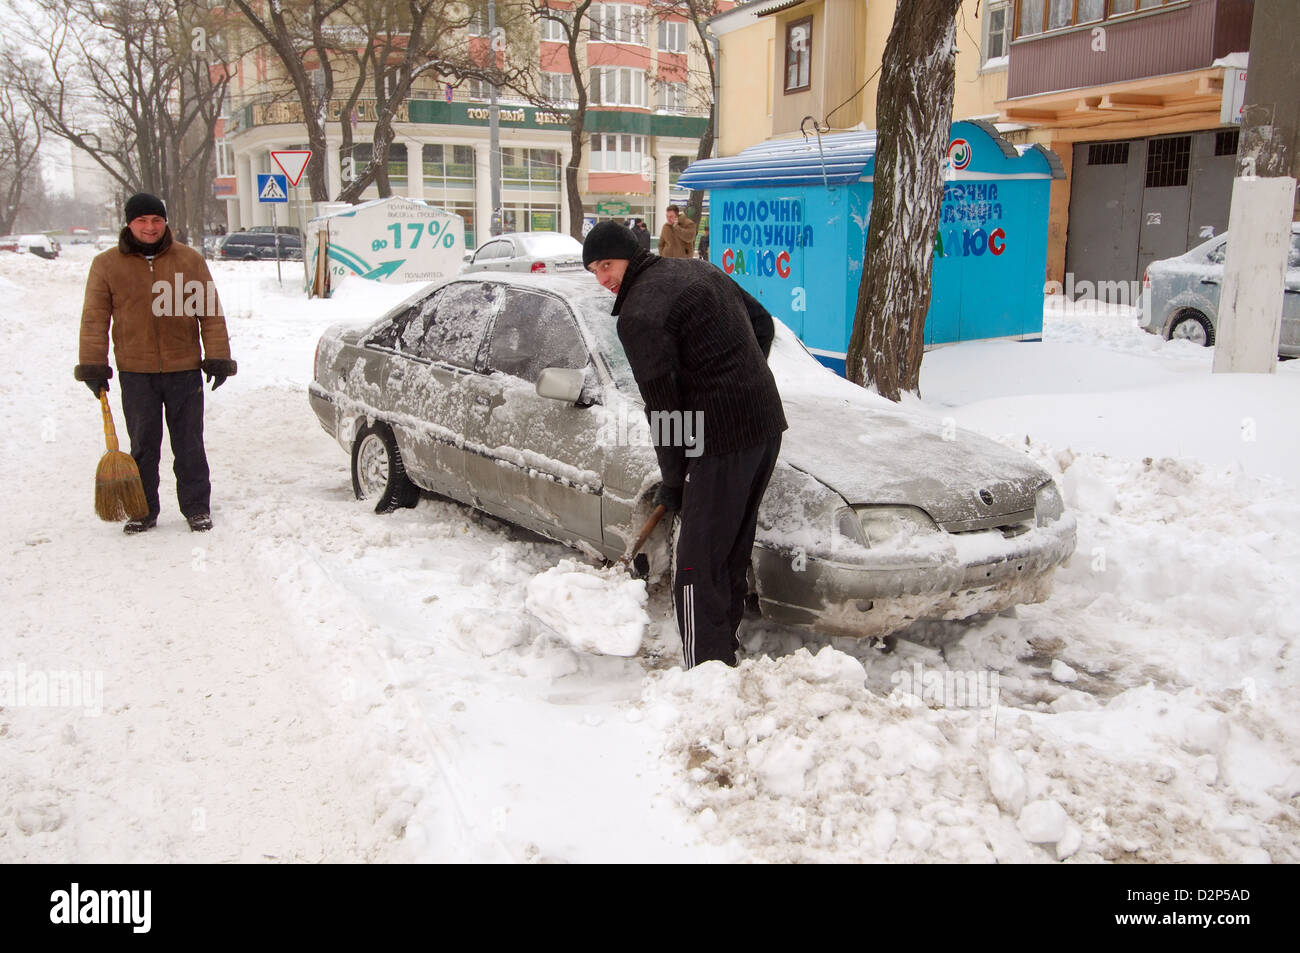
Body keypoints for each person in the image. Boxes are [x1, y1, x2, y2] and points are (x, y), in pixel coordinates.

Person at [584, 222, 786, 668]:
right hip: (765, 425)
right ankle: (723, 653)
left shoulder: (639, 315)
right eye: (594, 271)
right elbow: (762, 325)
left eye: (607, 265)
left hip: (720, 440)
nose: (602, 278)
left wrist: (675, 481)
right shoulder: (699, 271)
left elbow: (665, 411)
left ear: (630, 256)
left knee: (694, 565)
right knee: (730, 547)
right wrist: (742, 377)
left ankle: (705, 670)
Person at [74, 192, 238, 534]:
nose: (150, 227)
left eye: (156, 220)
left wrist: (218, 357)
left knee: (189, 442)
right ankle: (143, 510)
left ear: (165, 223)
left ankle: (196, 508)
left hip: (184, 368)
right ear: (129, 223)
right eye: (142, 221)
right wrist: (93, 366)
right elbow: (94, 319)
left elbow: (209, 312)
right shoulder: (106, 265)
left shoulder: (189, 260)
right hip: (135, 371)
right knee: (144, 446)